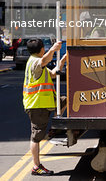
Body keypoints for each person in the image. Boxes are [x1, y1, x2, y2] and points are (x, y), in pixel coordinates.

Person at [23, 38, 67, 176]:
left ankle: (55, 128)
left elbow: (53, 73)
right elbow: (44, 61)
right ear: (42, 49)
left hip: (46, 103)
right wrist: (53, 49)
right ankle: (36, 166)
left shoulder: (37, 63)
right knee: (36, 137)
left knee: (64, 101)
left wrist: (64, 59)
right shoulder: (35, 62)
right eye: (45, 48)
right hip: (37, 105)